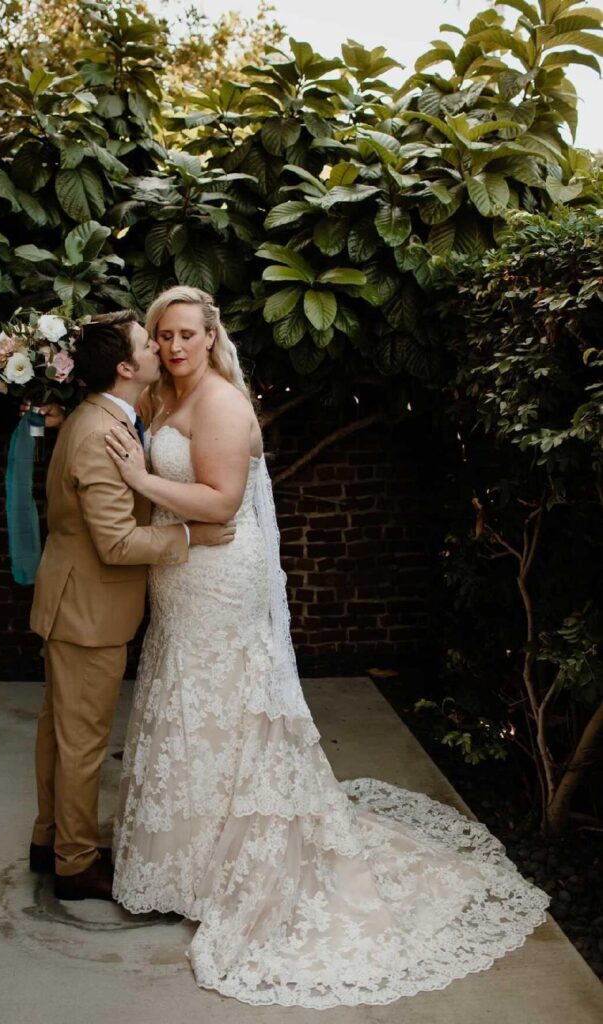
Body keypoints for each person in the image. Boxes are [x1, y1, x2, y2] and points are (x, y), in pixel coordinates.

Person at [103, 285, 549, 1009]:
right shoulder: (164, 400)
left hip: (218, 573)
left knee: (222, 699)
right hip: (180, 575)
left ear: (212, 338)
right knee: (184, 696)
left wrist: (138, 476)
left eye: (188, 334)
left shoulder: (220, 404)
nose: (175, 346)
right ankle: (188, 859)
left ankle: (235, 859)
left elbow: (219, 502)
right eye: (164, 335)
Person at [28, 310, 235, 902]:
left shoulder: (107, 416)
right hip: (87, 612)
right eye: (149, 343)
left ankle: (49, 840)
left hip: (74, 602)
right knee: (81, 742)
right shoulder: (99, 434)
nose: (160, 348)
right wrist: (192, 536)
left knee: (59, 733)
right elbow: (117, 544)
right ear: (126, 367)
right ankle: (74, 864)